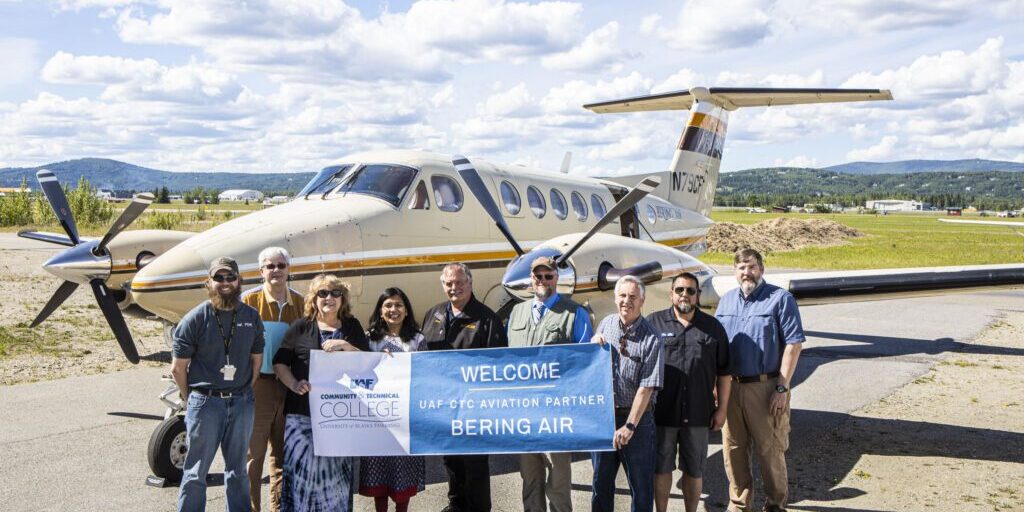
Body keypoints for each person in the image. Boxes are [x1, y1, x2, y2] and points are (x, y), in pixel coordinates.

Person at [171, 256, 264, 512]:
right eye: (219, 278)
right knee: (195, 472)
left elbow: (256, 360)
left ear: (239, 281)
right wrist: (192, 398)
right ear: (208, 283)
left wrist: (244, 390)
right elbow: (178, 368)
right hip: (205, 402)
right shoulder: (195, 318)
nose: (225, 283)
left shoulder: (251, 316)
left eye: (230, 277)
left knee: (238, 471)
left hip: (242, 402)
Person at [715, 249, 805, 512]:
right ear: (734, 272)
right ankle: (740, 504)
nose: (747, 273)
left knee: (770, 450)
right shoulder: (726, 301)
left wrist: (782, 387)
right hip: (731, 387)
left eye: (752, 267)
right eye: (742, 267)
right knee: (733, 449)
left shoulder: (780, 299)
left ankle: (775, 504)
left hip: (765, 386)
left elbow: (793, 344)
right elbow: (717, 346)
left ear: (762, 269)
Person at [273, 275, 368, 512]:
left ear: (342, 299)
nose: (329, 298)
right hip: (301, 415)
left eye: (336, 293)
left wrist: (346, 347)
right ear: (314, 299)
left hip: (339, 417)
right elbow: (280, 363)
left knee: (335, 480)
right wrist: (294, 384)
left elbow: (367, 363)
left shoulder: (352, 326)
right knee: (301, 480)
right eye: (323, 293)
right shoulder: (300, 327)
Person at [506, 256, 592, 512]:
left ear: (557, 278)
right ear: (531, 279)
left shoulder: (575, 313)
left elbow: (585, 364)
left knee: (558, 482)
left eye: (548, 276)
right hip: (523, 414)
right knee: (530, 481)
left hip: (557, 414)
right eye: (537, 276)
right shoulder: (516, 312)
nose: (542, 280)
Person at [420, 262, 508, 512]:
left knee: (475, 463)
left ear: (470, 283)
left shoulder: (487, 318)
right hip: (443, 405)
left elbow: (497, 365)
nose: (453, 288)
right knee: (451, 459)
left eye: (459, 282)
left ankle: (479, 507)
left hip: (475, 407)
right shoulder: (433, 314)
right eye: (448, 283)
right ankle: (455, 504)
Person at [646, 273, 731, 512]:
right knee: (661, 468)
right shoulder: (653, 323)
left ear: (698, 295)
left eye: (690, 291)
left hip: (698, 413)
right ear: (671, 293)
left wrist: (722, 409)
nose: (685, 295)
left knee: (694, 469)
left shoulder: (713, 327)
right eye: (680, 290)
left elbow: (724, 372)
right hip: (662, 413)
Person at [590, 275, 664, 512]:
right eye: (622, 295)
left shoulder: (652, 338)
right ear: (615, 298)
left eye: (633, 296)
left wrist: (630, 426)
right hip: (604, 419)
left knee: (641, 489)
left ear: (642, 300)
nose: (627, 301)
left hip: (637, 423)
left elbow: (647, 387)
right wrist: (594, 343)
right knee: (600, 486)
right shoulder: (606, 324)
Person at [242, 247, 304, 512]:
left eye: (281, 265)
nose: (276, 270)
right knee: (253, 457)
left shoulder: (301, 302)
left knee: (282, 456)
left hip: (289, 385)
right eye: (270, 266)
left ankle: (278, 508)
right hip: (260, 385)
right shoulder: (249, 301)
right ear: (261, 271)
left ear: (289, 269)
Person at [358, 287, 427, 512]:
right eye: (388, 305)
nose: (393, 310)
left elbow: (426, 375)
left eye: (398, 305)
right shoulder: (368, 340)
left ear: (406, 311)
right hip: (376, 417)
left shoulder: (417, 339)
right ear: (380, 311)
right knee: (379, 470)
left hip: (406, 417)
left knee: (402, 471)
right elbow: (359, 372)